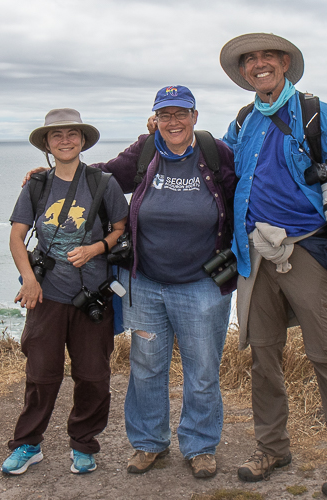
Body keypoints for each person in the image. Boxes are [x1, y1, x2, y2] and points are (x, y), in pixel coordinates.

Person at [219, 33, 327, 498]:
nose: (259, 65)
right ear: (244, 72)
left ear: (284, 64)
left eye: (268, 57)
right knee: (263, 356)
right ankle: (272, 447)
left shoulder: (317, 114)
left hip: (308, 249)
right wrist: (155, 134)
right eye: (251, 60)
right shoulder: (244, 121)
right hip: (255, 255)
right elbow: (214, 166)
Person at [93, 85, 237, 478]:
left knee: (203, 369)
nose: (174, 122)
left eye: (181, 113)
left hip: (203, 283)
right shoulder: (144, 151)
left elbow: (246, 193)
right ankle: (148, 443)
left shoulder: (215, 152)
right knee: (145, 366)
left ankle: (200, 445)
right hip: (145, 283)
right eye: (165, 115)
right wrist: (50, 177)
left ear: (195, 116)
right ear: (155, 118)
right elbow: (98, 180)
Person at [3, 108, 128, 476]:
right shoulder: (37, 185)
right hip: (47, 296)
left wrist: (95, 249)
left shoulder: (103, 183)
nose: (65, 140)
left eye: (72, 134)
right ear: (47, 144)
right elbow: (15, 236)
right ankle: (28, 444)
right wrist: (28, 278)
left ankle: (83, 445)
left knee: (93, 376)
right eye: (56, 136)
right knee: (41, 375)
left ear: (83, 140)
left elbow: (121, 228)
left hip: (93, 296)